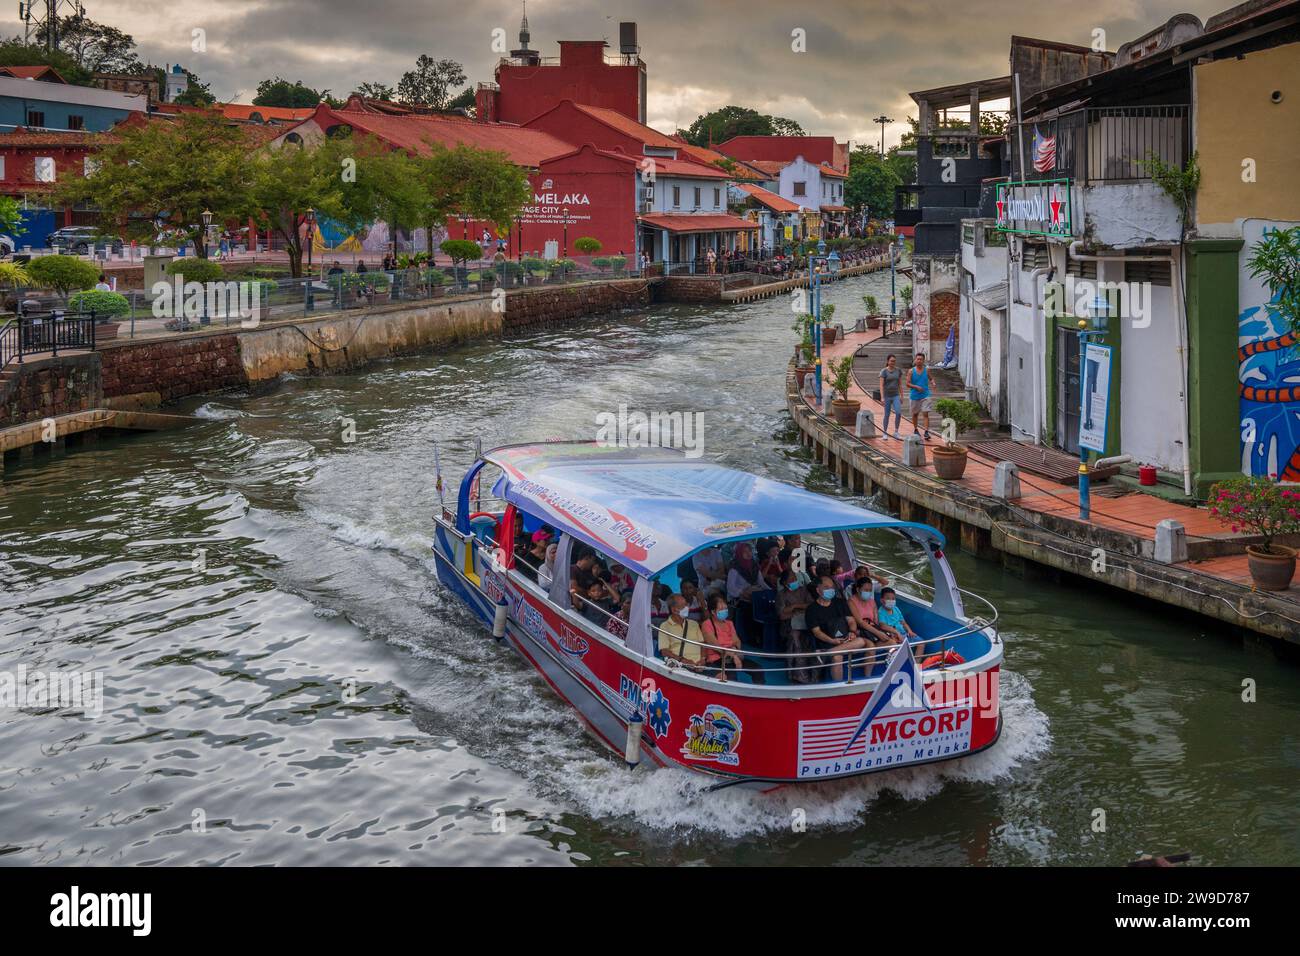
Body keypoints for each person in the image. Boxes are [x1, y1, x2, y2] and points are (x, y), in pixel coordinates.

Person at [805, 575, 871, 682]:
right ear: (818, 590)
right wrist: (832, 640)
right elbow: (817, 632)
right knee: (837, 657)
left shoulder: (840, 602)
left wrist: (852, 632)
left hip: (846, 639)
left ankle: (825, 654)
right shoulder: (811, 609)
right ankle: (838, 685)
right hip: (827, 642)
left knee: (861, 641)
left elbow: (851, 620)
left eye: (832, 587)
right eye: (826, 587)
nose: (830, 590)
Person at [777, 567, 818, 683]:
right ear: (785, 583)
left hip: (806, 622)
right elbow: (782, 615)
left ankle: (813, 673)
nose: (794, 580)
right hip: (788, 626)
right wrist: (794, 613)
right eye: (791, 579)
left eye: (795, 578)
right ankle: (798, 674)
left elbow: (811, 605)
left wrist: (795, 607)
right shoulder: (781, 595)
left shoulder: (803, 590)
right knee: (795, 637)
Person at [700, 593, 749, 682]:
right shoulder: (707, 624)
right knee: (731, 676)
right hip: (717, 657)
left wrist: (734, 652)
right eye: (721, 609)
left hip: (732, 654)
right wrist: (734, 656)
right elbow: (716, 646)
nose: (725, 611)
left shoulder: (729, 623)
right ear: (713, 612)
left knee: (758, 669)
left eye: (726, 609)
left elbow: (737, 641)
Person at [726, 542, 769, 643]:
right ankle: (748, 638)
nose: (748, 553)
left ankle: (761, 636)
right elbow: (731, 588)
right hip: (738, 598)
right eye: (745, 552)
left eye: (749, 551)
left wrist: (771, 591)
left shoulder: (754, 565)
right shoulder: (734, 567)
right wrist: (743, 592)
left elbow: (761, 582)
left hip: (753, 595)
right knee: (748, 608)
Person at [658, 595, 706, 668]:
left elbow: (702, 645)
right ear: (674, 610)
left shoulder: (694, 624)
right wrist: (683, 660)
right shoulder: (664, 626)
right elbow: (664, 651)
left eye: (686, 605)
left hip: (700, 666)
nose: (687, 608)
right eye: (683, 606)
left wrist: (702, 660)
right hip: (681, 666)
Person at [906, 352, 933, 440]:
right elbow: (907, 384)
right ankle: (915, 429)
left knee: (925, 413)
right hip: (914, 395)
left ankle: (926, 432)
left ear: (923, 360)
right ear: (915, 360)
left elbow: (931, 378)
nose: (919, 361)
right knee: (915, 414)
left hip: (925, 395)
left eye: (921, 359)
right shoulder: (911, 371)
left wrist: (933, 382)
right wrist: (916, 387)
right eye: (918, 359)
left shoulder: (926, 370)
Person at [879, 353, 904, 439]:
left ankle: (896, 431)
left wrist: (902, 395)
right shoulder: (884, 371)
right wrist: (882, 397)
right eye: (891, 361)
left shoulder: (898, 371)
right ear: (888, 361)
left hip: (895, 395)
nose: (893, 362)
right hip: (887, 396)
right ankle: (885, 432)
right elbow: (881, 385)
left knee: (898, 412)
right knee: (887, 414)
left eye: (894, 361)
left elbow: (900, 384)